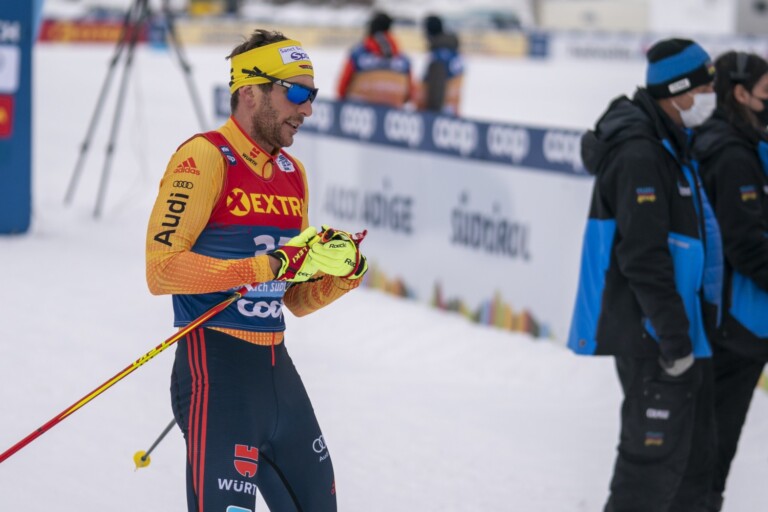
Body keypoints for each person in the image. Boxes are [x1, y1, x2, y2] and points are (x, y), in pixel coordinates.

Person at [145, 29, 368, 512]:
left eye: (312, 95)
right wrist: (266, 264)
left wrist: (342, 276)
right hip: (216, 371)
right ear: (250, 92)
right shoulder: (204, 157)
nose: (308, 109)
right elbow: (162, 270)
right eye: (296, 93)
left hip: (277, 375)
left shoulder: (293, 174)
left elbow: (293, 298)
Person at [567, 38, 723, 512]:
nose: (712, 96)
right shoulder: (640, 153)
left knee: (685, 464)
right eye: (705, 88)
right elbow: (642, 257)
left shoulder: (668, 141)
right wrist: (674, 338)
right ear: (679, 92)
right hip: (654, 336)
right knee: (649, 471)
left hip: (672, 331)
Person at [692, 50, 768, 512]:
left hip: (728, 320)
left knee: (708, 446)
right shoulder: (732, 153)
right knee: (711, 450)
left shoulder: (733, 142)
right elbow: (746, 245)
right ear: (740, 94)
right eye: (766, 92)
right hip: (735, 325)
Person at [336, 10, 413, 108]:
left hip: (360, 112)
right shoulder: (403, 59)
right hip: (392, 112)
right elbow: (410, 93)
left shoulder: (358, 55)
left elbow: (341, 89)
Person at [416, 14, 464, 115]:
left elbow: (436, 90)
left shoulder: (438, 57)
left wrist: (431, 115)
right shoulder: (453, 53)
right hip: (452, 112)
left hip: (439, 114)